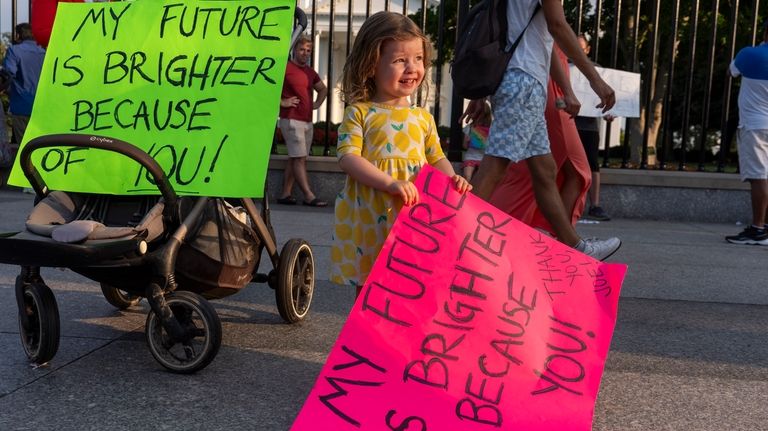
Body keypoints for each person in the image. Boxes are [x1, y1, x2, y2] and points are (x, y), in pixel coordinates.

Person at [462, 0, 621, 260]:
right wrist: (596, 80)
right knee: (495, 167)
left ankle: (575, 247)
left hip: (523, 81)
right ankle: (457, 241)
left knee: (545, 171)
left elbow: (544, 39)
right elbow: (558, 25)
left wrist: (567, 90)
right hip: (523, 82)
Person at [329, 11, 472, 295]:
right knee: (369, 283)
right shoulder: (359, 113)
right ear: (372, 65)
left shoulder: (422, 118)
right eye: (399, 60)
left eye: (418, 59)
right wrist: (390, 183)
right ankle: (365, 337)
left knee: (411, 281)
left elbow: (437, 158)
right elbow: (348, 157)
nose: (412, 68)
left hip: (413, 212)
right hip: (371, 213)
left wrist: (452, 180)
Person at [489, 45, 592, 233]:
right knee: (516, 171)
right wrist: (591, 83)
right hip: (539, 82)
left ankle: (564, 245)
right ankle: (468, 232)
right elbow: (555, 29)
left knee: (541, 171)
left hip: (534, 81)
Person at [725, 20, 768, 246]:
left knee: (759, 177)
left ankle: (758, 229)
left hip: (756, 125)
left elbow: (731, 72)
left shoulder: (749, 54)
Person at [277, 34, 329, 207]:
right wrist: (282, 102)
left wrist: (316, 104)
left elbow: (323, 89)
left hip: (306, 121)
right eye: (302, 50)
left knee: (296, 158)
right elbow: (266, 89)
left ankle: (285, 194)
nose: (305, 53)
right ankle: (309, 195)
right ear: (294, 50)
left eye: (308, 50)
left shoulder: (310, 72)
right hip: (291, 120)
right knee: (299, 158)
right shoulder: (284, 68)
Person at [574, 34, 611, 221]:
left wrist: (609, 112)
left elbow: (605, 96)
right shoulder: (565, 68)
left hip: (589, 126)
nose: (579, 50)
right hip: (569, 123)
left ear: (587, 50)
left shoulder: (598, 70)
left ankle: (595, 205)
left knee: (593, 164)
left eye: (582, 47)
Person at [2, 23, 45, 155]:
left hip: (21, 106)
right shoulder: (44, 52)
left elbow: (7, 75)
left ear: (18, 35)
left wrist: (5, 89)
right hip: (43, 107)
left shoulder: (14, 51)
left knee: (25, 151)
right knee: (42, 147)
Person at [461, 100, 491, 181]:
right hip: (471, 157)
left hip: (484, 159)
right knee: (467, 177)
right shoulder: (470, 128)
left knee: (482, 179)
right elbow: (464, 146)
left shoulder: (491, 129)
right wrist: (467, 141)